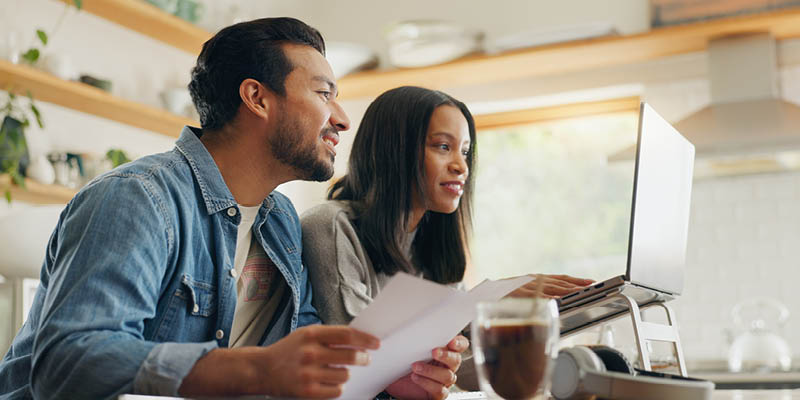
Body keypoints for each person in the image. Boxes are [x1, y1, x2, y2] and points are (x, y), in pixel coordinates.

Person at [0, 19, 465, 400]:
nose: (342, 118)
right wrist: (258, 371)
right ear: (257, 97)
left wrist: (384, 380)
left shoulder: (281, 221)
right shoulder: (138, 198)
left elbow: (300, 356)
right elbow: (69, 365)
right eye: (324, 94)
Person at [301, 86, 593, 387]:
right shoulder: (330, 225)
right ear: (393, 149)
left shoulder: (432, 250)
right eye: (443, 146)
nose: (461, 166)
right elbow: (362, 351)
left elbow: (461, 376)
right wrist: (482, 302)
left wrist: (521, 326)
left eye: (465, 151)